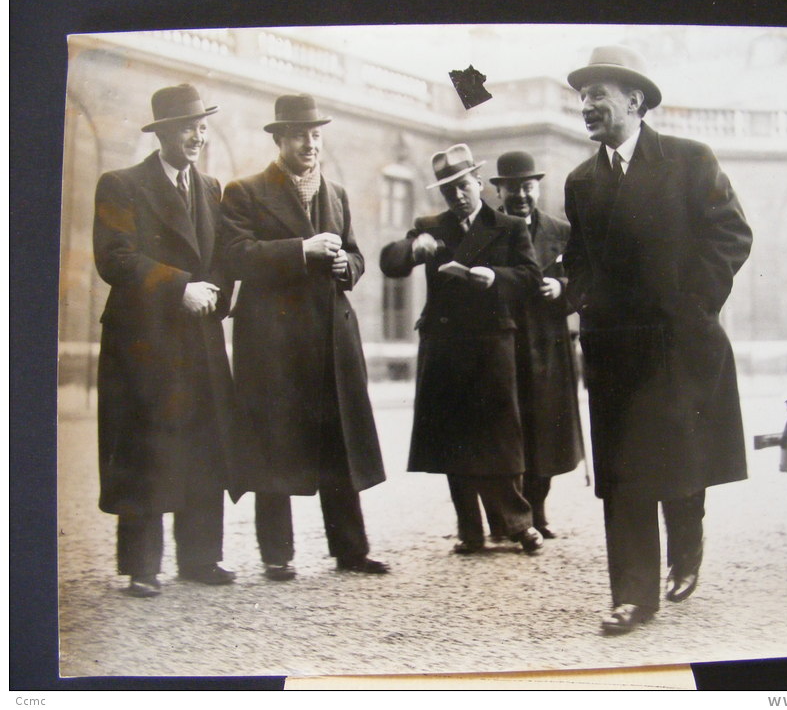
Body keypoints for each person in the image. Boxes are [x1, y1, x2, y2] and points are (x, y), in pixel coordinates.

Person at [562, 46, 753, 634]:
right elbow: (580, 261)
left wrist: (693, 306)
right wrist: (574, 298)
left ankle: (686, 547)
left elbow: (731, 233)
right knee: (622, 474)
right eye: (583, 95)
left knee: (679, 462)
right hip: (613, 348)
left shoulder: (690, 160)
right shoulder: (580, 181)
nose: (587, 105)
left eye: (598, 94)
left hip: (678, 343)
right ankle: (633, 596)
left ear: (634, 101)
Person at [220, 93, 388, 579]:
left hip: (332, 337)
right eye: (299, 135)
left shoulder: (335, 194)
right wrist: (302, 249)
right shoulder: (245, 191)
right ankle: (277, 555)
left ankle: (351, 551)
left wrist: (345, 265)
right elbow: (234, 256)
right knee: (276, 443)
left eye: (316, 135)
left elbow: (356, 255)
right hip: (274, 342)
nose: (310, 144)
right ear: (279, 139)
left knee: (340, 441)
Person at [93, 84, 240, 597]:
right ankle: (142, 567)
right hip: (144, 342)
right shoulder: (120, 184)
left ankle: (201, 559)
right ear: (162, 133)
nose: (198, 135)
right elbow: (114, 258)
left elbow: (218, 258)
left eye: (202, 126)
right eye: (187, 127)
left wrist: (221, 295)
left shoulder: (211, 188)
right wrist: (180, 287)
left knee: (204, 442)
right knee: (146, 446)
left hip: (198, 338)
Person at [380, 144, 545, 555]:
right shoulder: (430, 225)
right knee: (454, 439)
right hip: (446, 344)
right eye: (448, 190)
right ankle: (469, 530)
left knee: (500, 437)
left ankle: (517, 524)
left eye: (462, 185)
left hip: (492, 342)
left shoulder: (507, 226)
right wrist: (413, 249)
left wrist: (496, 278)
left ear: (477, 181)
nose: (457, 196)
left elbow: (529, 275)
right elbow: (390, 262)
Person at [489, 151, 586, 540]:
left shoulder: (560, 232)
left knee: (546, 431)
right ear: (500, 191)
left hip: (548, 345)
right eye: (513, 188)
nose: (521, 196)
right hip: (505, 342)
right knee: (506, 432)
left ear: (537, 188)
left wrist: (561, 287)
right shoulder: (489, 230)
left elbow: (583, 283)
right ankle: (508, 518)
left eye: (528, 187)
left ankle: (538, 511)